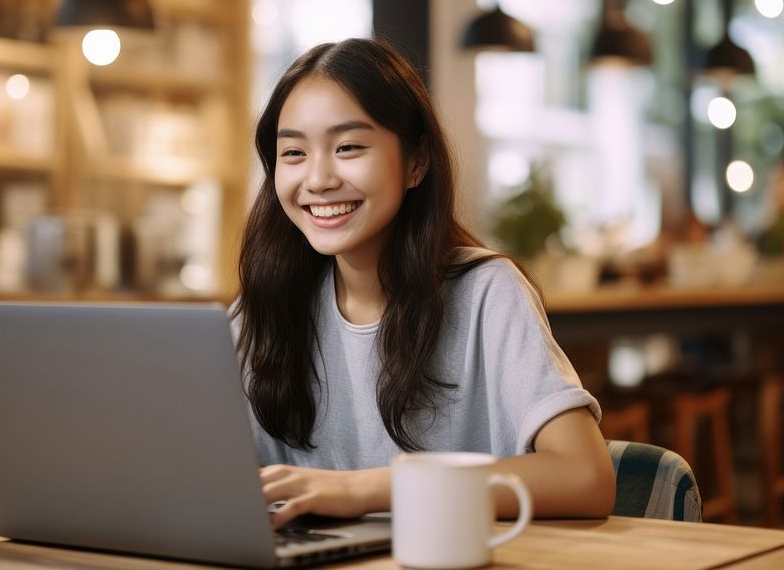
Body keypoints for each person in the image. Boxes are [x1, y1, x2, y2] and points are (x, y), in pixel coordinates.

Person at [232, 38, 615, 530]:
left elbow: (586, 478)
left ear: (416, 162)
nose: (319, 178)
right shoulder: (263, 307)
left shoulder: (486, 294)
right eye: (293, 153)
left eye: (348, 147)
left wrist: (360, 489)